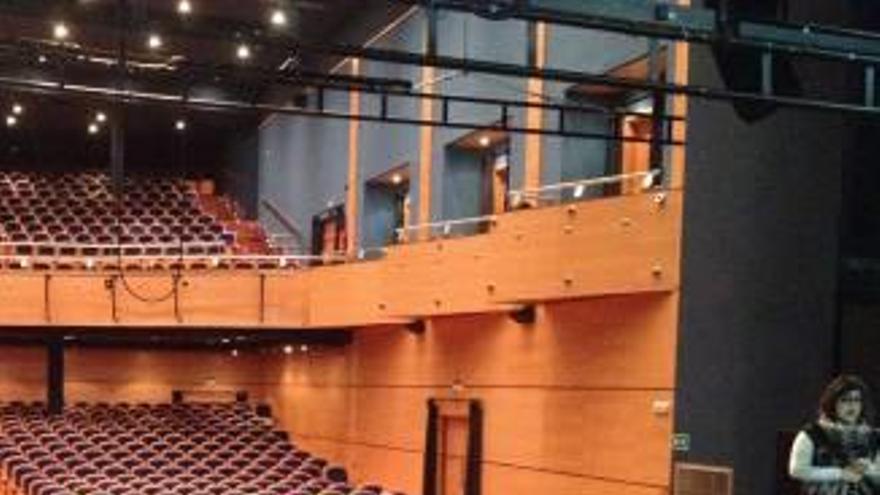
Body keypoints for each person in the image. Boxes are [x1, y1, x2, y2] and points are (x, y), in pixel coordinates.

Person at [790, 375, 880, 494]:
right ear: (833, 403)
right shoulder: (813, 433)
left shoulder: (874, 436)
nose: (851, 405)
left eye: (856, 400)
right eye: (845, 400)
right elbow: (797, 470)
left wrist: (868, 469)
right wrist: (840, 474)